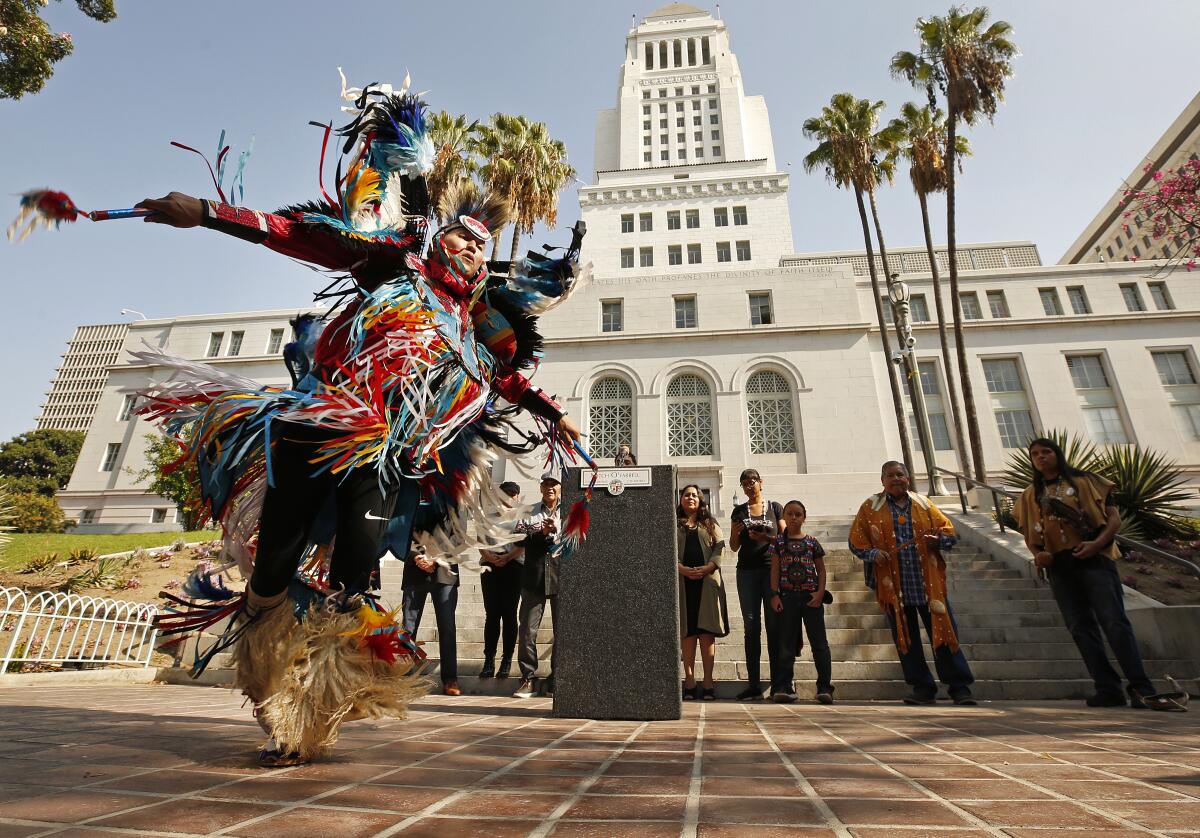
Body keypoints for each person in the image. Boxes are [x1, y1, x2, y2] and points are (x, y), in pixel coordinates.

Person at [123, 79, 586, 765]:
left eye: (480, 249)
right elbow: (295, 236)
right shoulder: (390, 265)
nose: (469, 251)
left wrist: (555, 418)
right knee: (274, 572)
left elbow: (507, 379)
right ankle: (268, 676)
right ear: (438, 242)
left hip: (383, 452)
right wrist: (205, 213)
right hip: (313, 429)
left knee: (356, 586)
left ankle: (310, 717)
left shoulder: (477, 326)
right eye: (459, 238)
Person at [1014, 438, 1156, 708]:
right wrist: (1038, 555)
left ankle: (1141, 687)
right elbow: (1030, 532)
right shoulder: (1030, 493)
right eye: (1035, 454)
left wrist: (1097, 544)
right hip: (1060, 565)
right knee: (1080, 627)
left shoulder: (1086, 481)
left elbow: (1113, 518)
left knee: (1114, 622)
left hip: (1094, 559)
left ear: (1057, 454)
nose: (1041, 457)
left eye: (1046, 451)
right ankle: (1107, 688)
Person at [849, 461, 976, 706]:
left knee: (944, 632)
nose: (895, 479)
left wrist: (937, 540)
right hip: (894, 586)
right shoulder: (870, 507)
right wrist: (874, 554)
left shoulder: (924, 503)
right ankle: (922, 687)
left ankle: (958, 687)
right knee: (905, 637)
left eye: (900, 474)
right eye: (890, 475)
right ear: (882, 480)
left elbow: (948, 532)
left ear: (908, 478)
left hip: (926, 582)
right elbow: (856, 541)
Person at [769, 500, 833, 704]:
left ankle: (825, 687)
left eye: (798, 514)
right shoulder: (779, 543)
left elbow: (821, 570)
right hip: (787, 597)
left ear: (804, 517)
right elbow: (775, 570)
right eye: (790, 514)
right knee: (786, 644)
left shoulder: (812, 542)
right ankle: (785, 687)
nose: (794, 517)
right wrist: (774, 594)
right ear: (784, 517)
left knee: (819, 644)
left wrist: (820, 593)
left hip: (811, 598)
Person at [729, 469, 784, 701]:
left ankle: (778, 682)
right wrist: (735, 532)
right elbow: (733, 547)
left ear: (761, 483)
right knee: (751, 628)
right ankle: (753, 683)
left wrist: (765, 538)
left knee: (774, 627)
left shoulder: (774, 507)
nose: (749, 486)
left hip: (771, 571)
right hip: (747, 573)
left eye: (752, 481)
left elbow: (784, 539)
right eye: (745, 483)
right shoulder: (738, 511)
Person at [677, 484, 728, 701]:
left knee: (706, 634)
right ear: (680, 500)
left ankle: (708, 681)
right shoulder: (673, 525)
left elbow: (720, 547)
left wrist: (709, 567)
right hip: (683, 582)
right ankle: (689, 681)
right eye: (686, 495)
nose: (690, 498)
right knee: (688, 634)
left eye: (694, 495)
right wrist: (680, 568)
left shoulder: (710, 524)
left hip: (707, 583)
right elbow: (664, 549)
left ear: (701, 499)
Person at [514, 472, 563, 698]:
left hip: (561, 576)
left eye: (554, 484)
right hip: (534, 576)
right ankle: (528, 678)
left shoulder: (569, 511)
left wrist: (556, 532)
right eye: (546, 484)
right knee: (526, 630)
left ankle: (557, 678)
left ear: (560, 488)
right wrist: (541, 532)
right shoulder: (528, 511)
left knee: (562, 631)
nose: (550, 488)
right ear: (541, 487)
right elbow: (518, 537)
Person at [401, 545, 461, 696]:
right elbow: (404, 532)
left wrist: (434, 560)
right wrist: (416, 556)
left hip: (444, 573)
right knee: (408, 629)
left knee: (447, 627)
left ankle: (450, 679)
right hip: (414, 572)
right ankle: (401, 676)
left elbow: (457, 539)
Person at [479, 481, 524, 679]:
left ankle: (507, 660)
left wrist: (506, 557)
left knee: (509, 614)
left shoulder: (523, 519)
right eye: (505, 494)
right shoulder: (486, 518)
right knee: (492, 615)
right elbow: (480, 544)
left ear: (517, 497)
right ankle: (489, 660)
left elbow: (524, 546)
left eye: (512, 494)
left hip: (513, 567)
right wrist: (491, 558)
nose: (508, 498)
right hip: (490, 566)